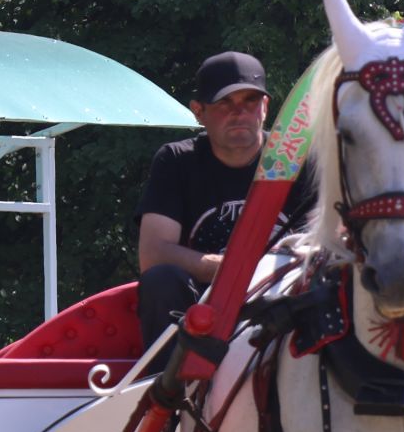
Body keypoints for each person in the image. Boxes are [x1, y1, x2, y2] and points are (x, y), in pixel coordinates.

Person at [133, 50, 316, 350]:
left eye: (250, 101)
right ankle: (171, 393)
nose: (239, 112)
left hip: (287, 301)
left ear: (265, 107)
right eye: (224, 103)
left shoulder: (301, 161)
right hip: (201, 312)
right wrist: (231, 268)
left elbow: (330, 245)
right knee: (161, 280)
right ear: (198, 111)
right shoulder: (177, 161)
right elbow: (153, 255)